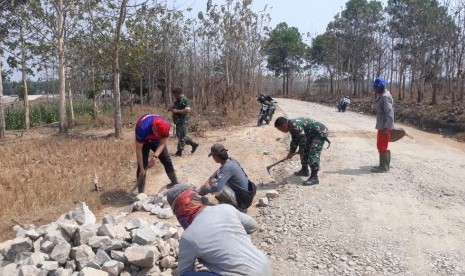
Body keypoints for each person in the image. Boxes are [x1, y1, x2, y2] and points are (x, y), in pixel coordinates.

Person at [166, 184, 272, 276]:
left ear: (179, 212)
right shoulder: (225, 208)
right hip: (265, 266)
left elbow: (183, 272)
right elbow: (253, 226)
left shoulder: (188, 237)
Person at [198, 143, 254, 212]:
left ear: (216, 157)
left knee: (215, 184)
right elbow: (215, 174)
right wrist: (205, 184)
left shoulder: (227, 167)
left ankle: (229, 206)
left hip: (243, 201)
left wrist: (204, 191)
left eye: (213, 156)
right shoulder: (231, 160)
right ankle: (208, 197)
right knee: (215, 180)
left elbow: (216, 187)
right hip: (246, 195)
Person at [274, 116, 330, 185]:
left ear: (284, 125)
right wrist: (291, 152)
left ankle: (314, 178)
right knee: (304, 150)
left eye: (280, 129)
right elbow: (295, 140)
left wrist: (301, 149)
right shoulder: (291, 126)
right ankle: (304, 170)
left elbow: (302, 140)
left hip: (319, 133)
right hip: (311, 134)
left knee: (313, 153)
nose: (281, 131)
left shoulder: (295, 126)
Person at [134, 114, 178, 193]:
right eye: (160, 136)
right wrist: (141, 168)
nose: (161, 137)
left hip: (156, 141)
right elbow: (139, 150)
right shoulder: (142, 128)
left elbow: (162, 143)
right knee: (142, 166)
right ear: (154, 129)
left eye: (162, 136)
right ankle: (141, 194)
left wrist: (155, 157)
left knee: (166, 160)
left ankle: (175, 183)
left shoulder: (166, 127)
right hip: (144, 141)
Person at [371, 77, 394, 173]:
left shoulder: (385, 97)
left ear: (381, 87)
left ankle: (383, 167)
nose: (374, 89)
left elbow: (389, 113)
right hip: (383, 125)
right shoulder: (383, 95)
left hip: (384, 127)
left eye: (376, 87)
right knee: (382, 145)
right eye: (374, 87)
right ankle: (385, 165)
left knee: (382, 146)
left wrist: (386, 128)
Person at [169, 87, 199, 157]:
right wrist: (171, 108)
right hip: (177, 121)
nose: (175, 97)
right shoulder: (177, 100)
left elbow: (188, 110)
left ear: (179, 94)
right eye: (174, 95)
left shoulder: (185, 100)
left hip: (183, 121)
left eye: (176, 95)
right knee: (180, 135)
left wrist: (176, 111)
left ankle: (179, 151)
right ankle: (193, 144)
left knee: (181, 136)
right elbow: (174, 106)